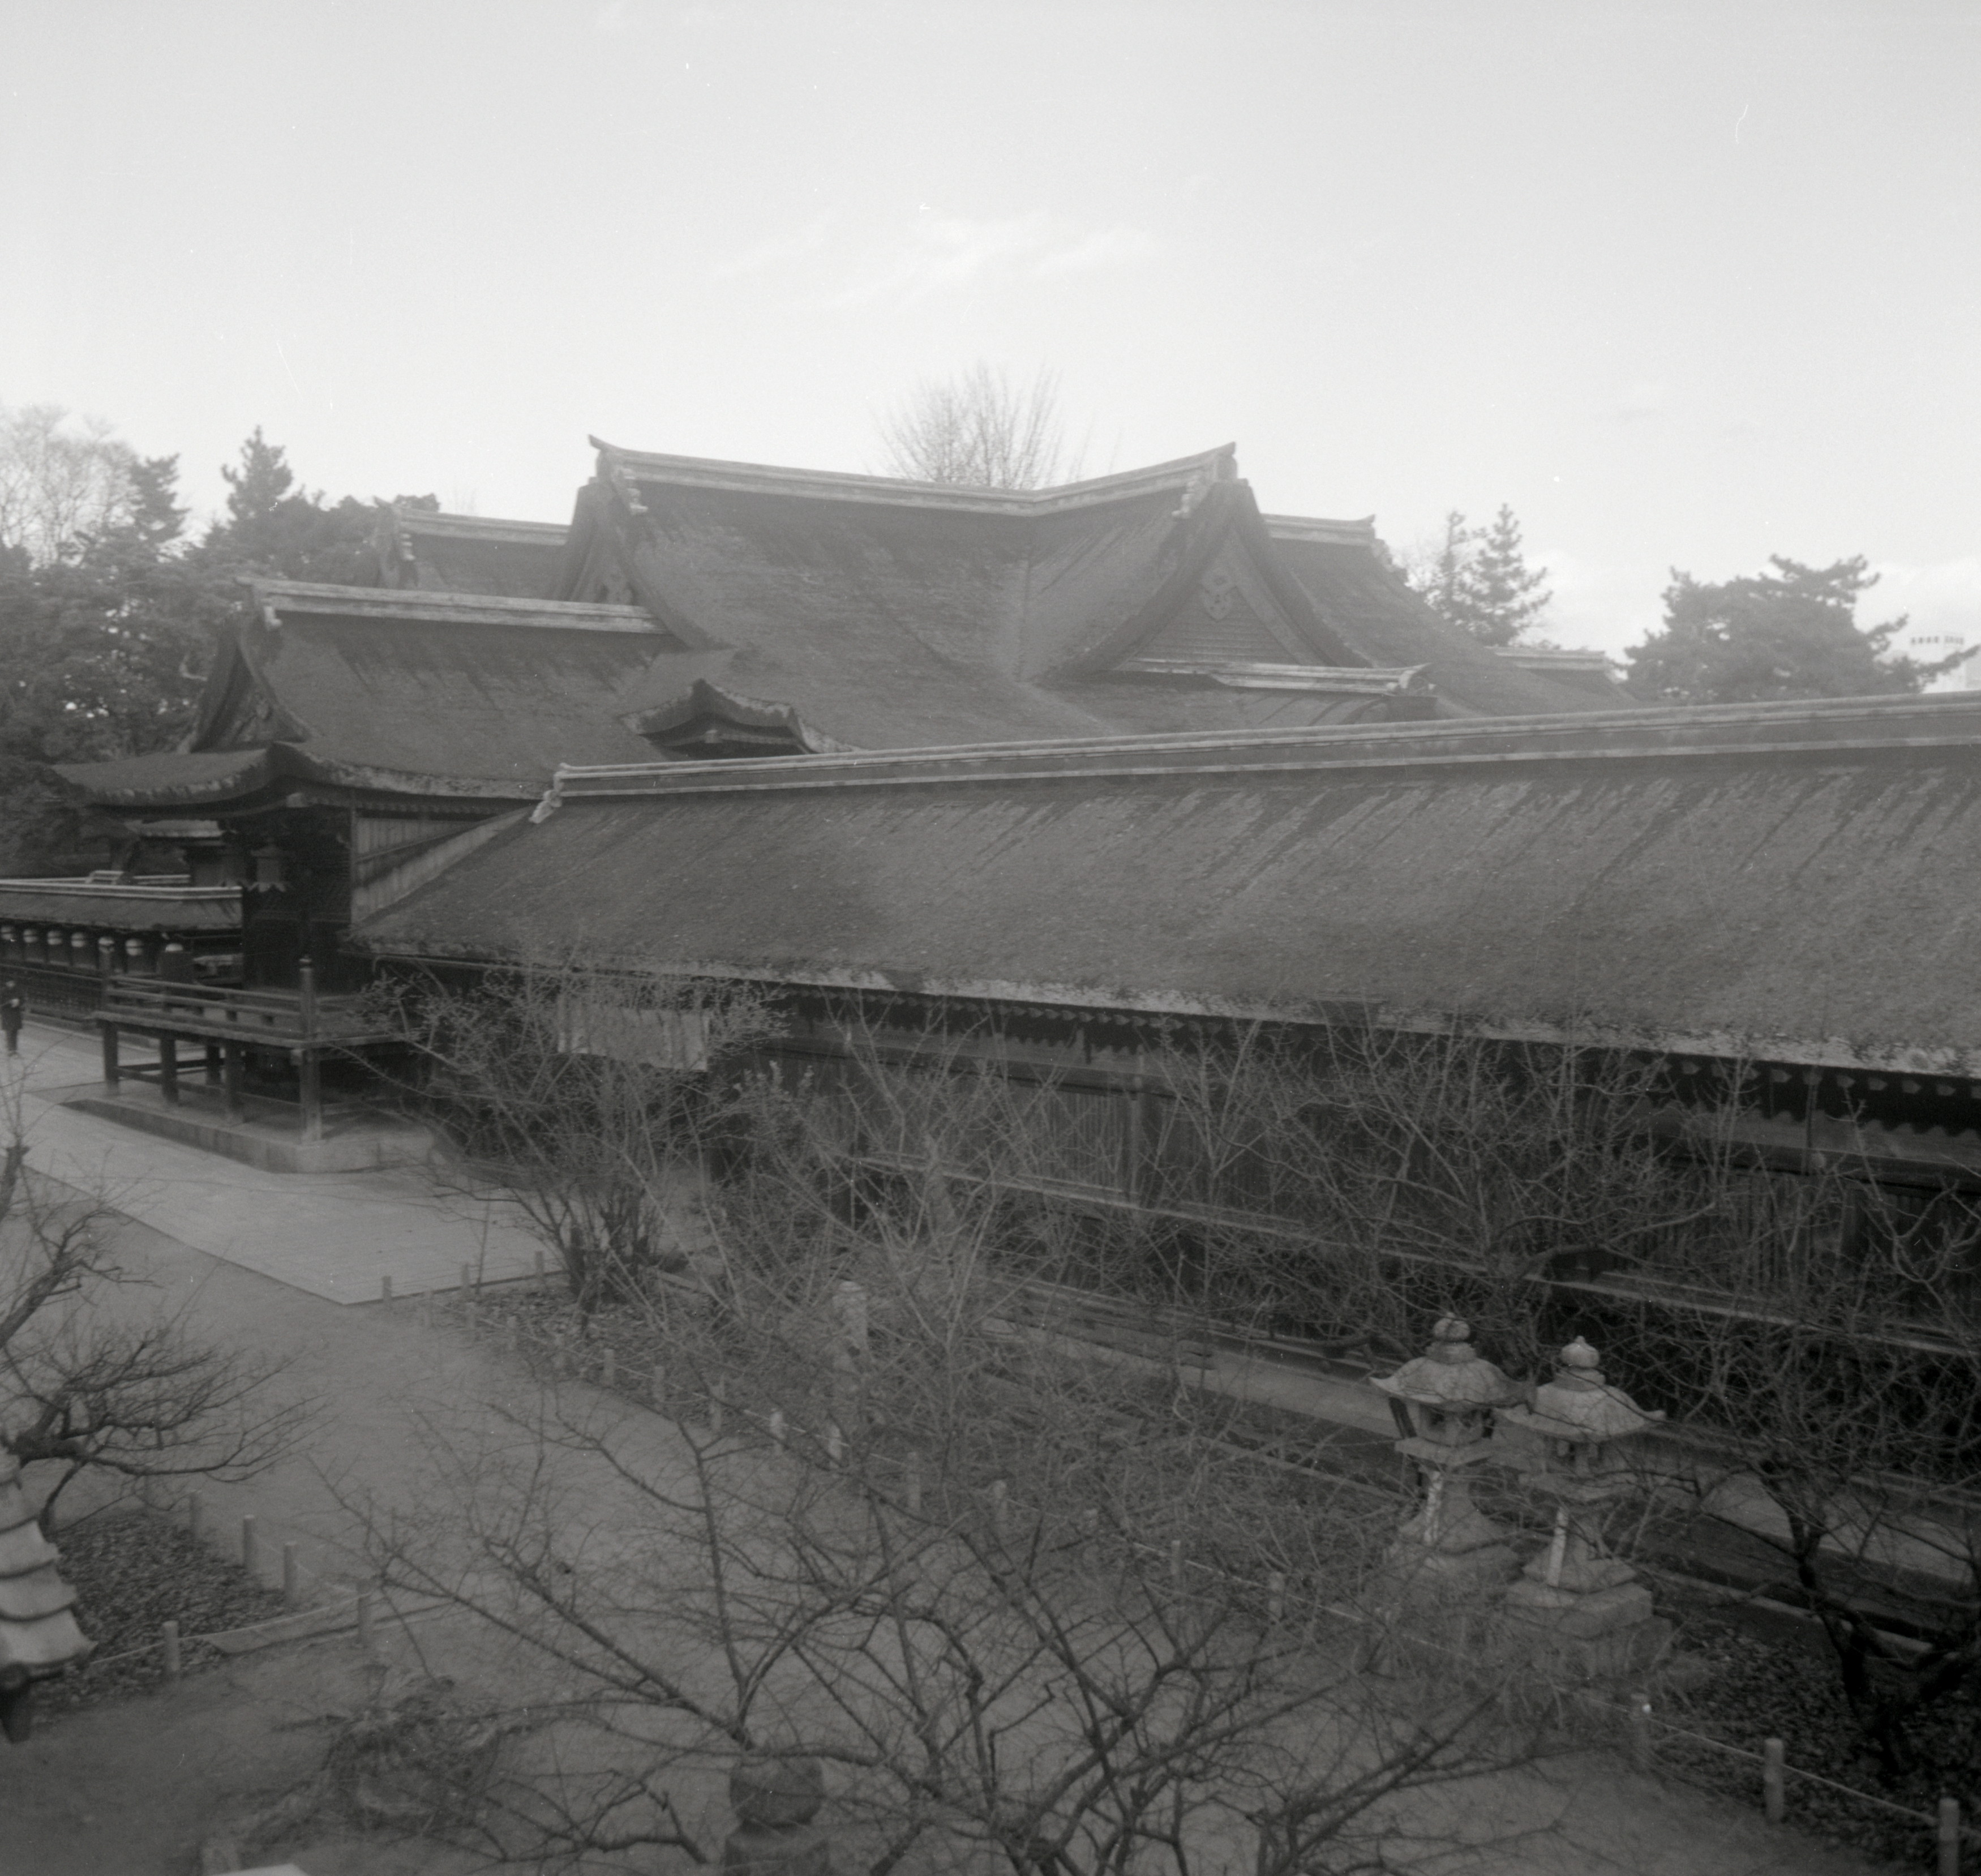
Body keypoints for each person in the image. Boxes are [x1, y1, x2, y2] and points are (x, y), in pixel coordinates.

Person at [1, 980, 22, 1057]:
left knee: (15, 1032)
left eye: (13, 983)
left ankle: (14, 1049)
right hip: (7, 1014)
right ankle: (10, 1049)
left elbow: (22, 1000)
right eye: (10, 983)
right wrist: (10, 1002)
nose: (11, 984)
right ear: (7, 983)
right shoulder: (3, 991)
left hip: (16, 1014)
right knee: (9, 1031)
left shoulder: (18, 991)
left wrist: (19, 1002)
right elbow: (1, 1004)